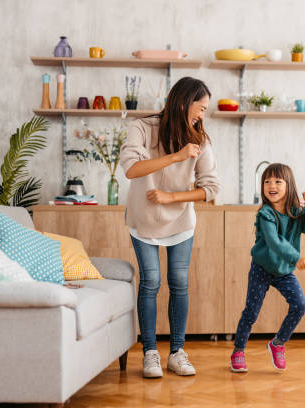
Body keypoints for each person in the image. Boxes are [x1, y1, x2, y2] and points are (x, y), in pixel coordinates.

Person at [120, 77, 220, 378]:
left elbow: (211, 189)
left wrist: (172, 197)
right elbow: (130, 169)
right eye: (200, 108)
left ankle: (177, 352)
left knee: (178, 282)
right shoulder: (142, 128)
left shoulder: (200, 139)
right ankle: (150, 352)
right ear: (182, 103)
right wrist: (176, 156)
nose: (202, 116)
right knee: (150, 281)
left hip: (180, 220)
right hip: (144, 219)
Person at [230, 163, 305, 372]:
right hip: (261, 269)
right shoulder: (265, 214)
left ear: (288, 185)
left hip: (283, 272)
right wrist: (296, 257)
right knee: (251, 312)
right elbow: (273, 241)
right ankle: (238, 351)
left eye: (277, 181)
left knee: (300, 305)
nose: (271, 185)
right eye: (267, 181)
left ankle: (278, 343)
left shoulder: (296, 212)